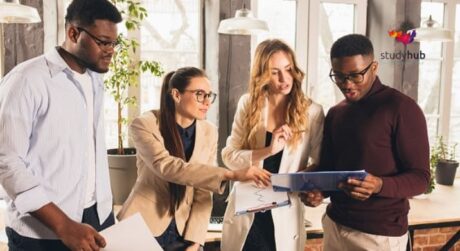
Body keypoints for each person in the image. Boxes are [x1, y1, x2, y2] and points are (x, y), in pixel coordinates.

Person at [0, 1, 122, 251]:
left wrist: (106, 213)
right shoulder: (26, 81)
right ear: (73, 33)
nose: (111, 50)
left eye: (114, 43)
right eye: (103, 42)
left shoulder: (94, 79)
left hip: (97, 220)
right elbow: (7, 162)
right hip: (43, 232)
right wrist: (63, 225)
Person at [116, 67, 271, 251]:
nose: (207, 102)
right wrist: (232, 174)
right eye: (199, 94)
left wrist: (196, 240)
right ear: (176, 94)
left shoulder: (209, 131)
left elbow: (203, 191)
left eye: (209, 95)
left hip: (184, 232)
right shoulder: (145, 124)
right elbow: (167, 167)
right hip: (144, 224)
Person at [301, 34, 430, 251]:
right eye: (339, 77)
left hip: (379, 236)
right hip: (335, 226)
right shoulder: (335, 113)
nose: (347, 84)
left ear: (374, 67)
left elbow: (421, 178)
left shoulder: (402, 108)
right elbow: (331, 169)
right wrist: (319, 192)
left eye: (355, 76)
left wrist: (380, 185)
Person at [220, 39, 325, 251]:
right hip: (248, 212)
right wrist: (269, 151)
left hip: (284, 212)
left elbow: (319, 162)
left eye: (288, 69)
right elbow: (229, 156)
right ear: (261, 74)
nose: (284, 79)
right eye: (274, 72)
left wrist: (301, 182)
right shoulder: (248, 104)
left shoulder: (312, 111)